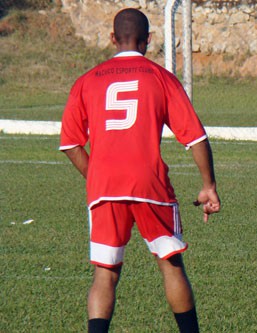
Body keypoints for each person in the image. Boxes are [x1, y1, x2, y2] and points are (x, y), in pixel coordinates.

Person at [59, 8, 220, 333]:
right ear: (148, 40)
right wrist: (208, 185)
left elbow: (71, 144)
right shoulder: (160, 77)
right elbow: (195, 137)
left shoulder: (87, 81)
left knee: (105, 273)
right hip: (150, 184)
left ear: (112, 38)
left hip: (103, 188)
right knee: (171, 265)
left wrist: (98, 176)